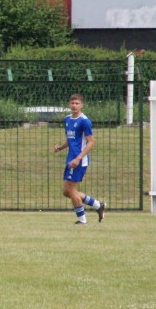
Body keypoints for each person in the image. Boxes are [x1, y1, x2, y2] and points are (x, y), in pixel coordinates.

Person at [53, 93, 106, 225]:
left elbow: (90, 142)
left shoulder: (84, 121)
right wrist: (60, 147)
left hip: (79, 161)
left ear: (82, 105)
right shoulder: (67, 119)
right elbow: (71, 139)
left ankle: (82, 220)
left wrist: (78, 158)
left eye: (77, 103)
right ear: (69, 104)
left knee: (71, 191)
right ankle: (98, 205)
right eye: (72, 103)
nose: (74, 106)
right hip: (70, 159)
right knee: (67, 192)